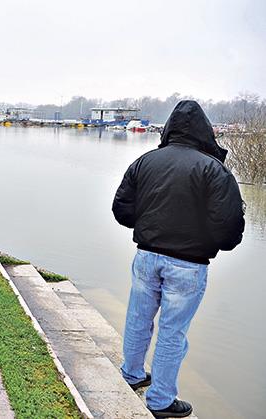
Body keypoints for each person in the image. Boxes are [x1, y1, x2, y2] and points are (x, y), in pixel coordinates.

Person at [112, 100, 245, 418]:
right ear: (204, 131)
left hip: (146, 256)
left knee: (138, 319)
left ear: (170, 127)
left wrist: (149, 227)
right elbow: (228, 226)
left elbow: (122, 209)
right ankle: (160, 400)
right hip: (188, 263)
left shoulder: (145, 161)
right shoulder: (213, 169)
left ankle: (131, 374)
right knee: (172, 332)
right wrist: (209, 243)